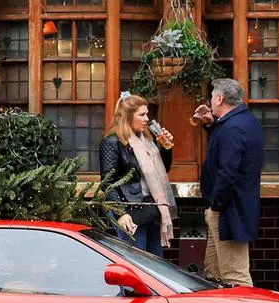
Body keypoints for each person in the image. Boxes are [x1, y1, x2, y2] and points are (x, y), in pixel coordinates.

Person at [194, 78, 264, 286]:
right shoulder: (243, 121)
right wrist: (211, 124)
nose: (210, 102)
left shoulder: (233, 128)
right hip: (229, 209)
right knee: (213, 275)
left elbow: (228, 171)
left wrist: (215, 206)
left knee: (235, 277)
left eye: (212, 97)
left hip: (228, 211)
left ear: (220, 98)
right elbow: (225, 149)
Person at [100, 92, 177, 257]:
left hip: (151, 208)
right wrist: (121, 213)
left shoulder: (147, 142)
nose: (147, 119)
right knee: (136, 259)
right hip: (130, 210)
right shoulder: (112, 142)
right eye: (142, 115)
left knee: (155, 261)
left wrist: (166, 148)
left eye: (147, 114)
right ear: (127, 117)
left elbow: (162, 171)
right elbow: (107, 182)